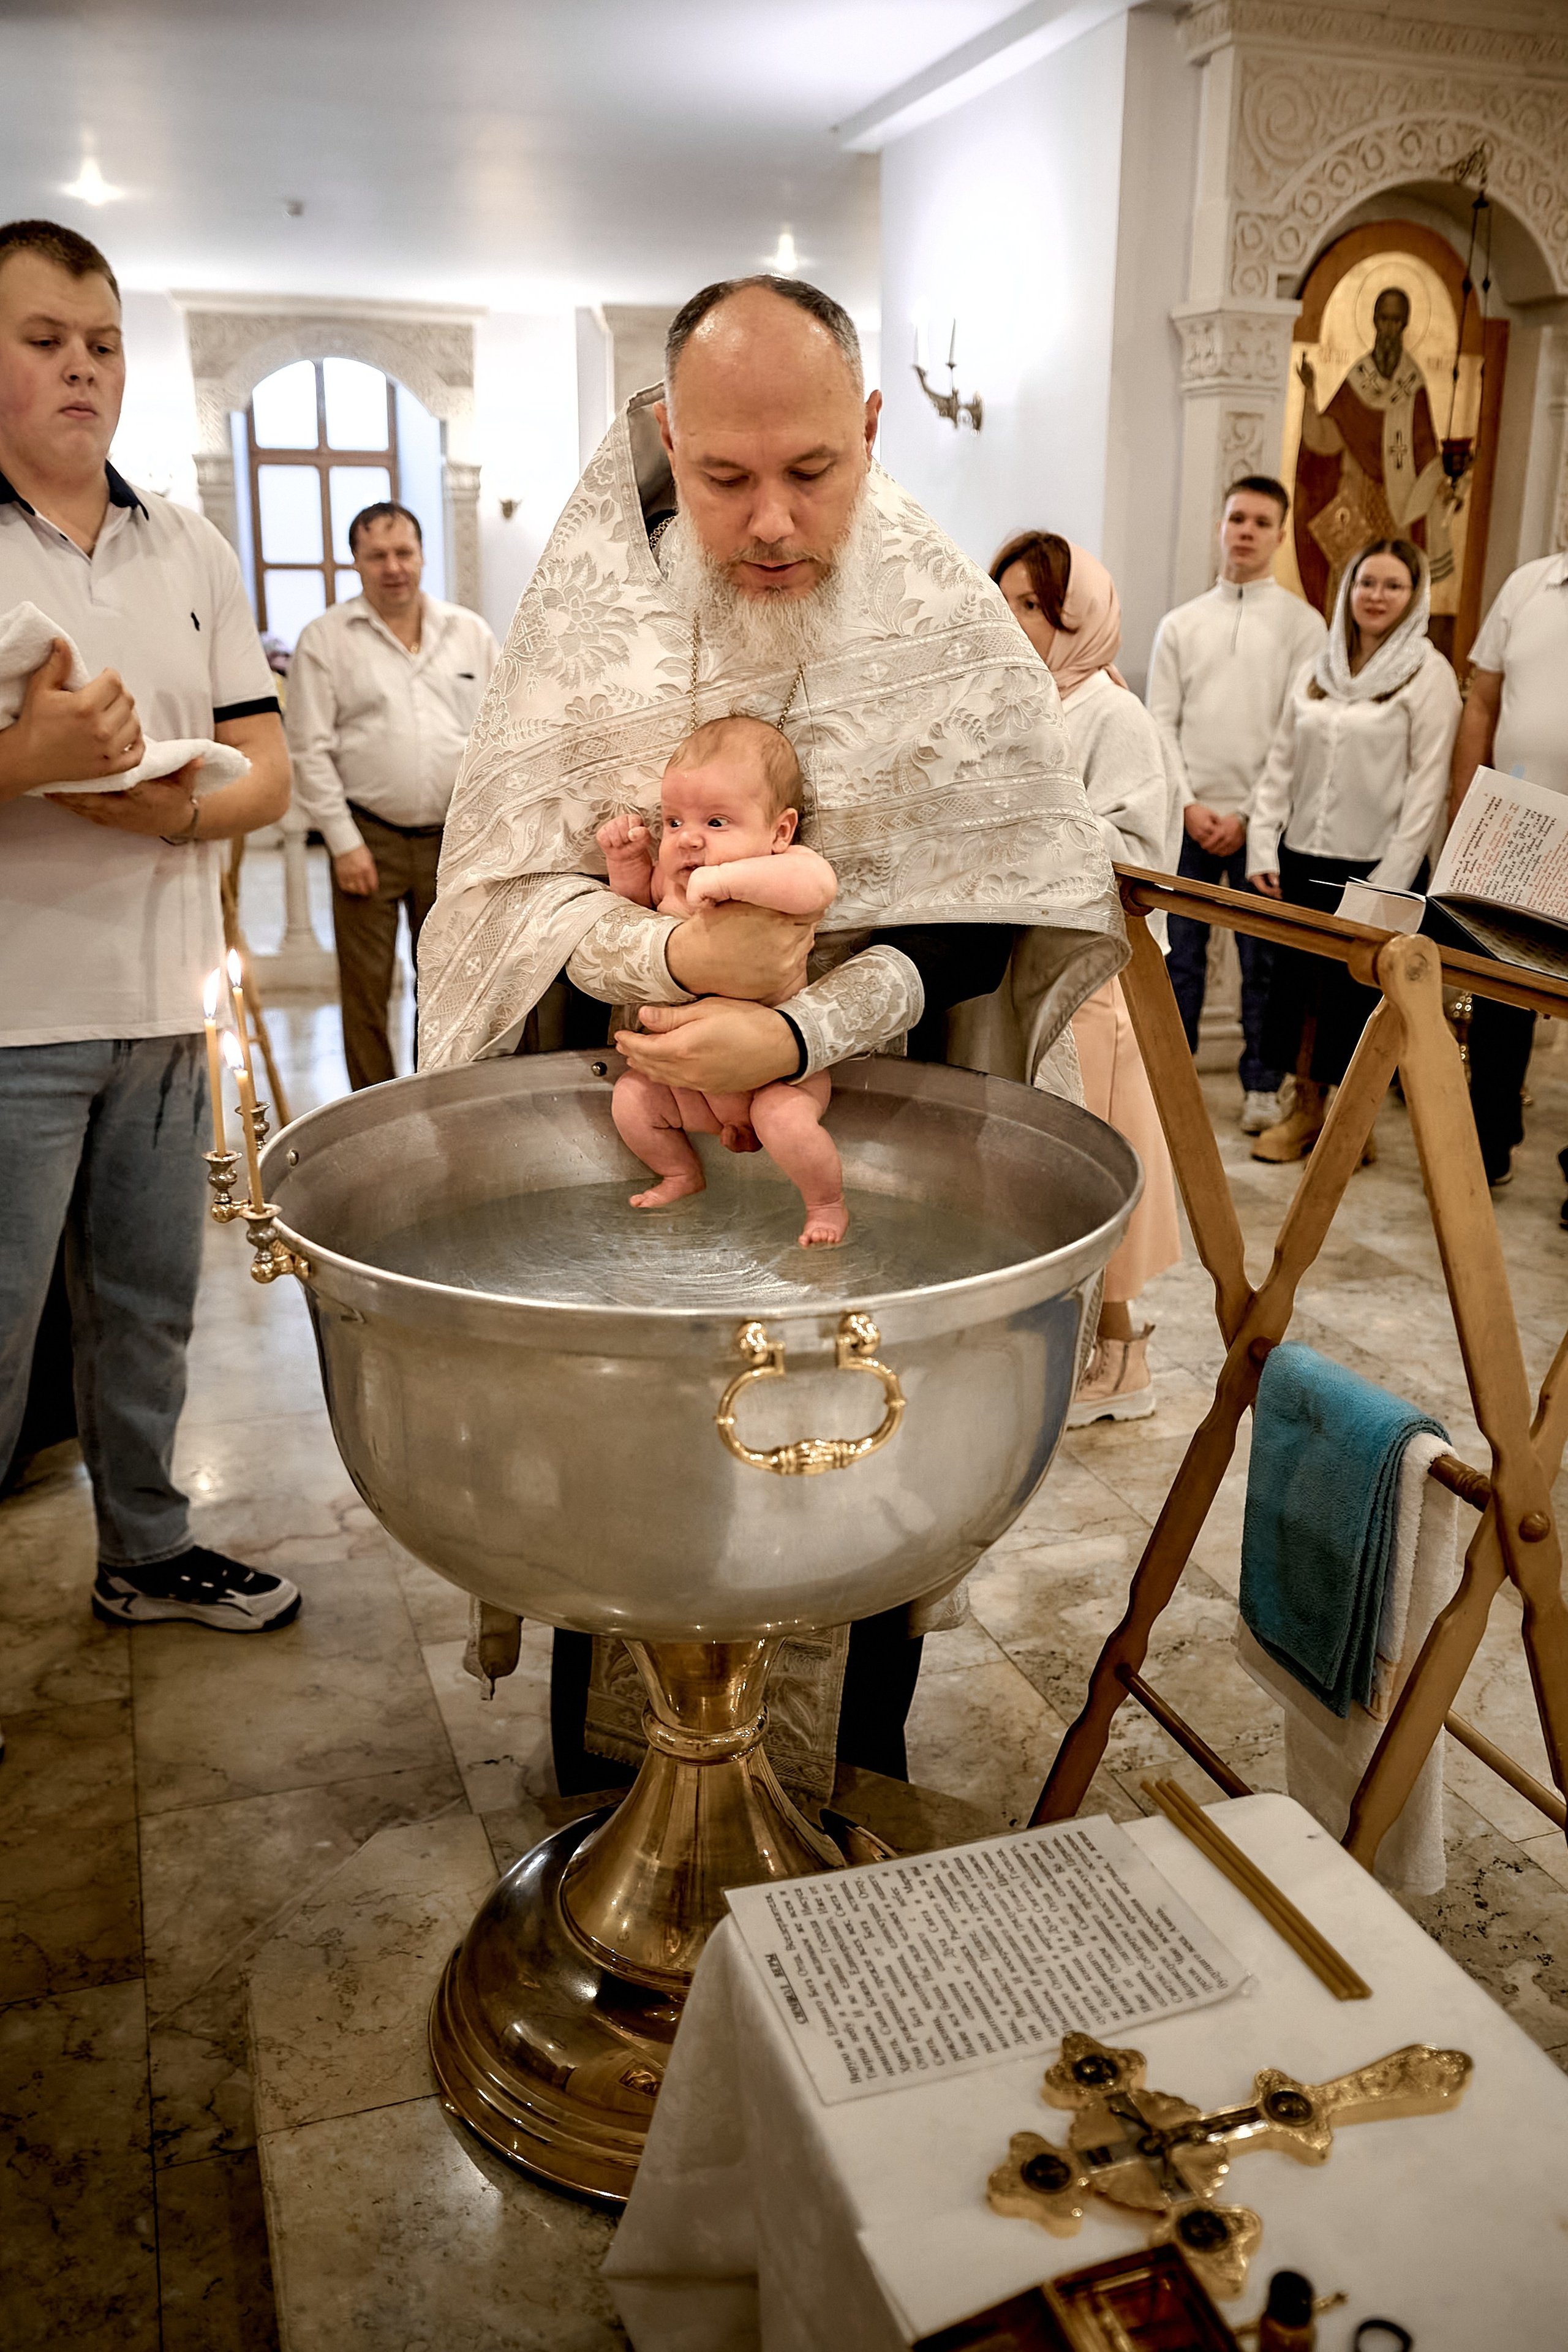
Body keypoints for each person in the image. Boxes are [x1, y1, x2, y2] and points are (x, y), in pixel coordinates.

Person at [418, 274, 1123, 1802]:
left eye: (813, 470)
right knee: (627, 1482)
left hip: (870, 1168)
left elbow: (989, 915)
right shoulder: (591, 610)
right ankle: (625, 1824)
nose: (772, 523)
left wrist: (798, 1023)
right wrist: (667, 950)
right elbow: (494, 896)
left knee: (860, 1475)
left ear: (870, 425)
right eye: (725, 477)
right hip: (642, 1153)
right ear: (668, 436)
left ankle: (815, 1830)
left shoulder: (945, 621)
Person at [0, 218, 298, 1646]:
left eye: (101, 344)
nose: (80, 370)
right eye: (42, 339)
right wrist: (27, 759)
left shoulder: (184, 537)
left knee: (148, 1305)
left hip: (161, 999)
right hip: (11, 1013)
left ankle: (147, 1545)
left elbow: (267, 758)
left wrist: (170, 814)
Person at [993, 531, 1183, 1424]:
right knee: (1055, 1167)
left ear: (1080, 616)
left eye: (1031, 604)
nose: (1013, 620)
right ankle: (1083, 1351)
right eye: (1004, 602)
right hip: (1037, 968)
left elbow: (1145, 851)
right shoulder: (1026, 705)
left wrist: (1035, 814)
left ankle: (1122, 1358)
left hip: (1098, 978)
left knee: (1101, 1162)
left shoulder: (1112, 714)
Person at [1247, 537, 1460, 1160]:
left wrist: (1388, 881)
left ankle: (1352, 1121)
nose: (1376, 596)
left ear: (1413, 596)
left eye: (1392, 586)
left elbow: (1428, 789)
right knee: (1294, 990)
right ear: (1348, 590)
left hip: (1377, 863)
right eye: (1367, 583)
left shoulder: (1429, 673)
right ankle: (1304, 1108)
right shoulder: (1318, 666)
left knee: (1356, 997)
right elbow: (1278, 763)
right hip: (1303, 852)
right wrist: (1263, 845)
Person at [598, 714, 845, 1243]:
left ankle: (825, 1204)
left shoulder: (785, 867)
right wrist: (625, 866)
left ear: (780, 831)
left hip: (774, 1076)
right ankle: (680, 1172)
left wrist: (728, 878)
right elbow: (635, 916)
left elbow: (818, 887)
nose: (688, 841)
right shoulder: (672, 879)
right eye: (672, 822)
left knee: (787, 1122)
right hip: (692, 1086)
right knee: (632, 1099)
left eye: (715, 823)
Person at [285, 501, 499, 1089]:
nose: (394, 567)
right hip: (367, 837)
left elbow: (499, 733)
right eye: (377, 555)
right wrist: (343, 842)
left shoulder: (470, 634)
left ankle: (434, 1096)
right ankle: (372, 1112)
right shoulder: (325, 640)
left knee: (446, 981)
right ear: (356, 562)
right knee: (367, 988)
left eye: (404, 552)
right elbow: (308, 749)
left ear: (423, 555)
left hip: (453, 839)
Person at [1147, 475, 1327, 1133]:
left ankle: (1261, 1087)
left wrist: (1250, 815)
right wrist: (1190, 804)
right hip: (1190, 818)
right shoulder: (1182, 624)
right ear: (1220, 527)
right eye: (1236, 518)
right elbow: (1159, 722)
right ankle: (1174, 1080)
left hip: (1263, 823)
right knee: (1180, 956)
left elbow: (1296, 730)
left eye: (1260, 522)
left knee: (1263, 964)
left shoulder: (1305, 626)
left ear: (1280, 535)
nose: (1246, 531)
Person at [1446, 550, 1568, 1190]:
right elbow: (1481, 701)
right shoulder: (1526, 584)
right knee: (1499, 991)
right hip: (1518, 822)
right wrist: (1470, 806)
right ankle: (1486, 1145)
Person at [1294, 286, 1455, 617]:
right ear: (1373, 321)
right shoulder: (1357, 379)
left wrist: (1442, 485)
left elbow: (1425, 448)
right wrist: (1311, 392)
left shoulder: (1413, 385)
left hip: (1396, 504)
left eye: (1396, 321)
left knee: (1391, 582)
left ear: (1406, 324)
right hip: (1354, 496)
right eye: (1384, 319)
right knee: (1347, 581)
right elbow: (1325, 437)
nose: (1389, 328)